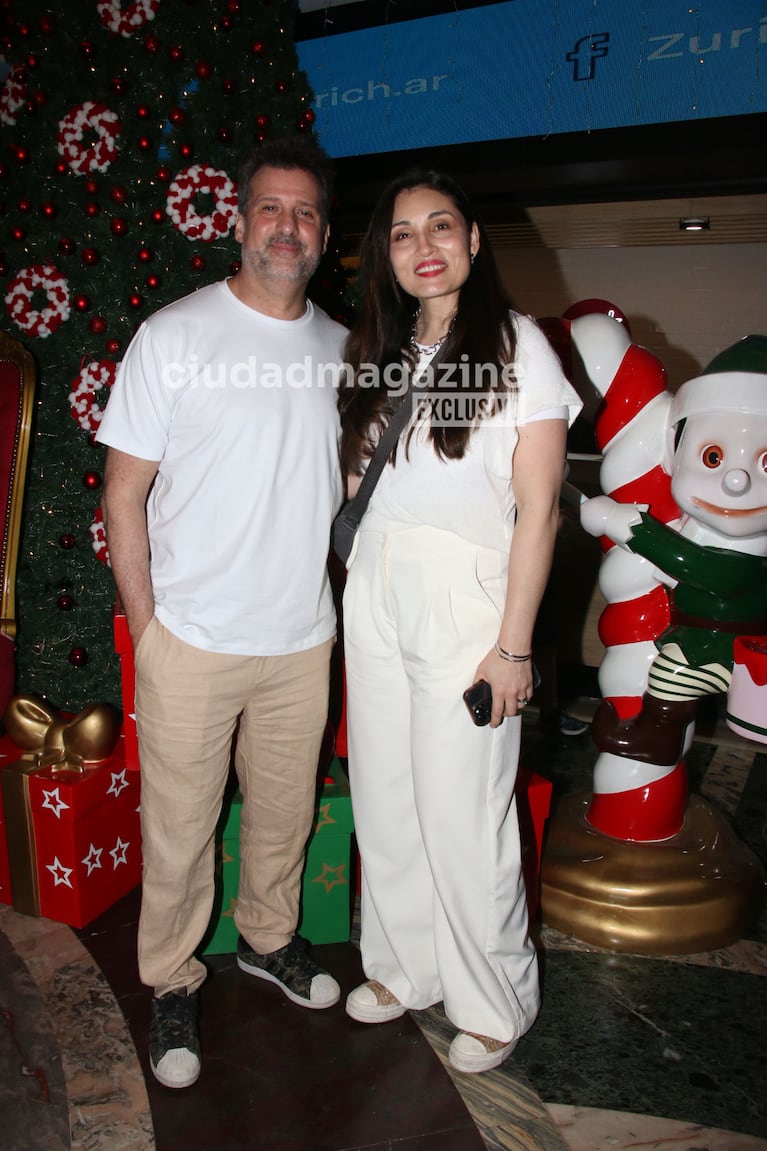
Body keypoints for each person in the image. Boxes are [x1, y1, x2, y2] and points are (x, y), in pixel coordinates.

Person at [96, 138, 347, 1090]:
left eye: (307, 212)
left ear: (323, 234)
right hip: (191, 641)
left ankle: (267, 941)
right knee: (180, 830)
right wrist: (150, 629)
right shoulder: (175, 335)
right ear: (241, 224)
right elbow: (124, 492)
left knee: (282, 817)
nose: (288, 227)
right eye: (272, 210)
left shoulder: (338, 348)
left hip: (300, 639)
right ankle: (168, 979)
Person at [337, 170, 581, 1073]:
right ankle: (405, 967)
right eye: (401, 234)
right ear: (386, 257)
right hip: (376, 588)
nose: (422, 244)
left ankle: (493, 1000)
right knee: (387, 801)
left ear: (474, 241)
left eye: (439, 225)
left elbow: (538, 508)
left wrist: (512, 645)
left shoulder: (520, 347)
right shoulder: (379, 350)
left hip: (466, 596)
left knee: (463, 811)